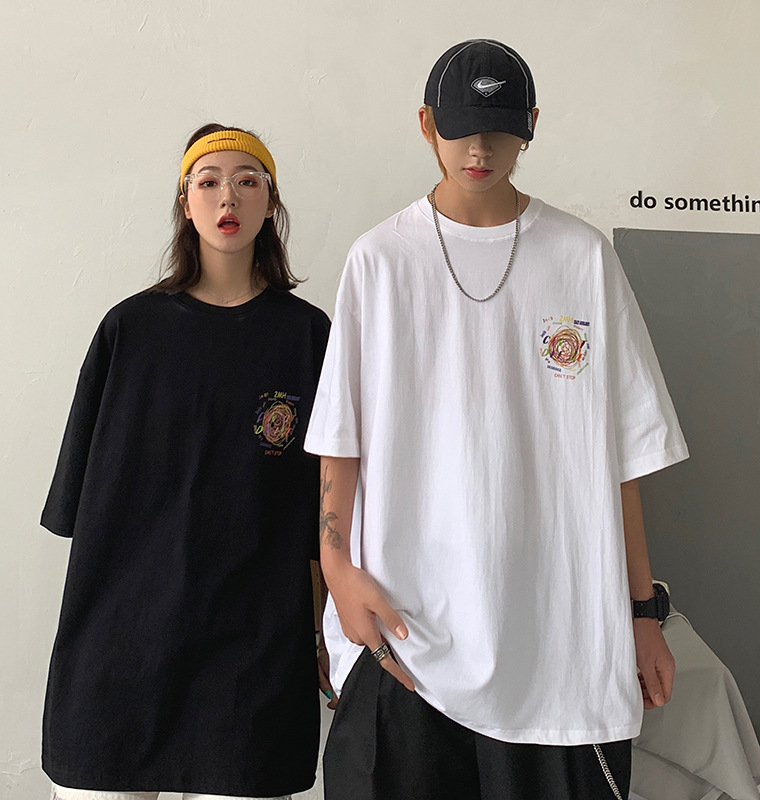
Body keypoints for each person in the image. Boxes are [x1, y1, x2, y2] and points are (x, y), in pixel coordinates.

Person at [305, 39, 689, 800]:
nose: (479, 150)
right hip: (407, 633)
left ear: (531, 126)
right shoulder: (380, 261)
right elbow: (340, 445)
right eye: (461, 129)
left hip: (559, 643)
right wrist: (337, 574)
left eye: (500, 130)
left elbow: (621, 460)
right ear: (427, 125)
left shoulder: (582, 258)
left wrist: (642, 611)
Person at [40, 124, 332, 800]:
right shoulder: (129, 331)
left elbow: (324, 512)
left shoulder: (309, 337)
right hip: (121, 653)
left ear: (271, 203)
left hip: (253, 658)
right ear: (185, 201)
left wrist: (325, 634)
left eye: (248, 181)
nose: (228, 197)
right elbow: (81, 513)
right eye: (209, 181)